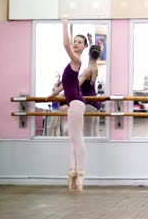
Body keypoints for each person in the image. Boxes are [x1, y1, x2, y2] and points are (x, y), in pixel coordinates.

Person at [47, 17, 88, 193]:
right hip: (73, 102)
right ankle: (72, 172)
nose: (75, 44)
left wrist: (65, 24)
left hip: (77, 102)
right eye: (75, 42)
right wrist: (52, 95)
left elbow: (65, 45)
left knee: (77, 138)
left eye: (79, 42)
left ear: (85, 46)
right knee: (72, 139)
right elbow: (66, 84)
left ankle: (80, 175)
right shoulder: (72, 64)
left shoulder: (76, 61)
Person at [80, 42, 102, 137]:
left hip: (88, 103)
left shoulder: (87, 71)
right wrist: (90, 42)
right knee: (95, 132)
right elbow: (93, 55)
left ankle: (89, 152)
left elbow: (76, 85)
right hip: (95, 102)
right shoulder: (95, 68)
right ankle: (97, 151)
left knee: (87, 133)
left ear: (89, 54)